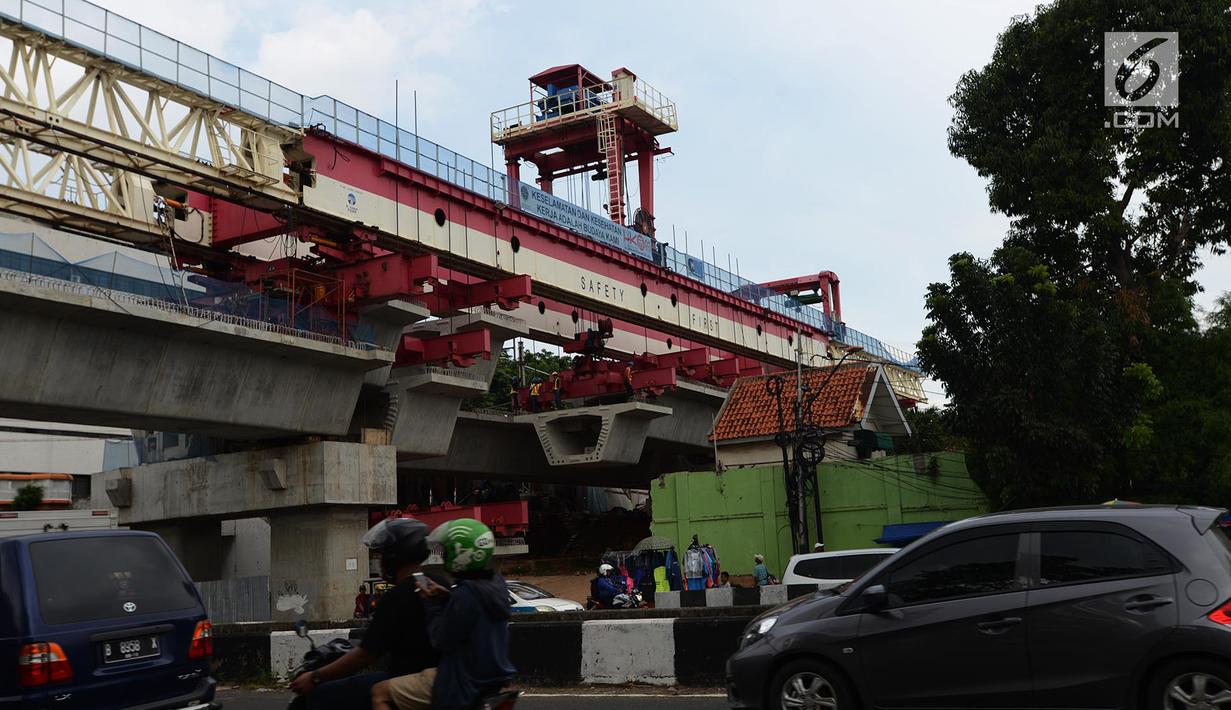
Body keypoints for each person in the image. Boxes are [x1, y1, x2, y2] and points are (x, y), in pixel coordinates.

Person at [289, 518, 437, 709]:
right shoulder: (435, 584)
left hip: (403, 679)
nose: (379, 561)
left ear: (395, 555)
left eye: (382, 554)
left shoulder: (397, 596)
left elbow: (365, 655)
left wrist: (316, 676)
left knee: (319, 696)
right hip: (439, 678)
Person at [373, 518, 515, 710]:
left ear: (461, 553)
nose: (444, 556)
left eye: (448, 551)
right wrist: (449, 596)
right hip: (494, 677)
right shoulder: (495, 585)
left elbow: (441, 640)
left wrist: (430, 603)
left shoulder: (465, 594)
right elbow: (475, 611)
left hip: (463, 681)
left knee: (380, 693)